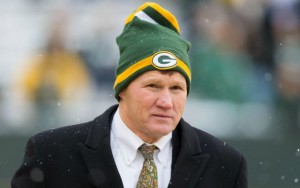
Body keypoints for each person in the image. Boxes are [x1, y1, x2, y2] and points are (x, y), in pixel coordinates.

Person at [11, 2, 247, 188]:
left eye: (176, 88)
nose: (166, 102)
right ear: (122, 89)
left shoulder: (225, 165)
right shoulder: (52, 153)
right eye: (153, 86)